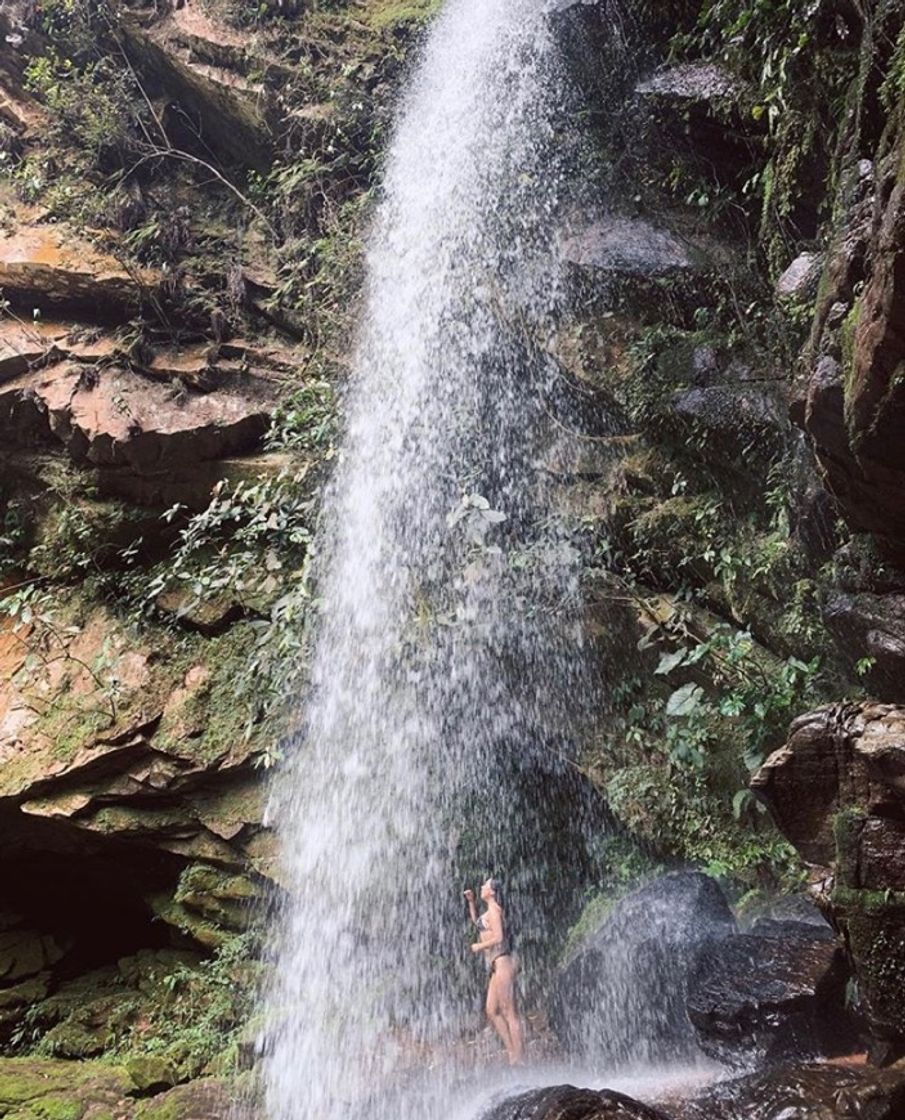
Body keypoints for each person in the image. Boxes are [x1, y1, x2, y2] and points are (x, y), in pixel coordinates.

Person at [464, 876, 524, 1066]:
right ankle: (511, 1053)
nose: (482, 887)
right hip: (495, 965)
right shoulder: (489, 912)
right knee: (491, 1011)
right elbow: (478, 925)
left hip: (503, 962)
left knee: (509, 1012)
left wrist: (479, 947)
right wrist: (472, 903)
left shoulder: (495, 911)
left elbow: (498, 937)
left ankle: (519, 1059)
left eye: (485, 885)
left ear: (492, 892)